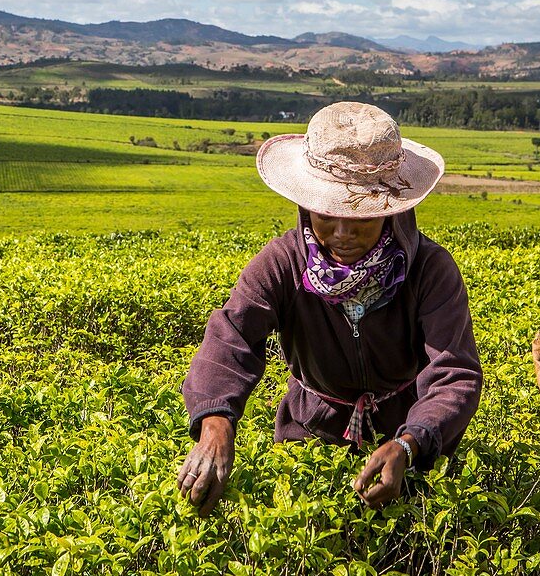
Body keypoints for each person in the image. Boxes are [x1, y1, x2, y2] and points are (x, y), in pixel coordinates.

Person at [178, 101, 482, 515]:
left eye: (360, 218)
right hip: (309, 437)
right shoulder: (283, 261)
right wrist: (215, 423)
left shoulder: (430, 270)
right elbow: (232, 335)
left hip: (409, 445)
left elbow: (454, 373)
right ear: (306, 207)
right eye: (326, 215)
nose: (341, 234)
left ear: (392, 212)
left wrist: (410, 444)